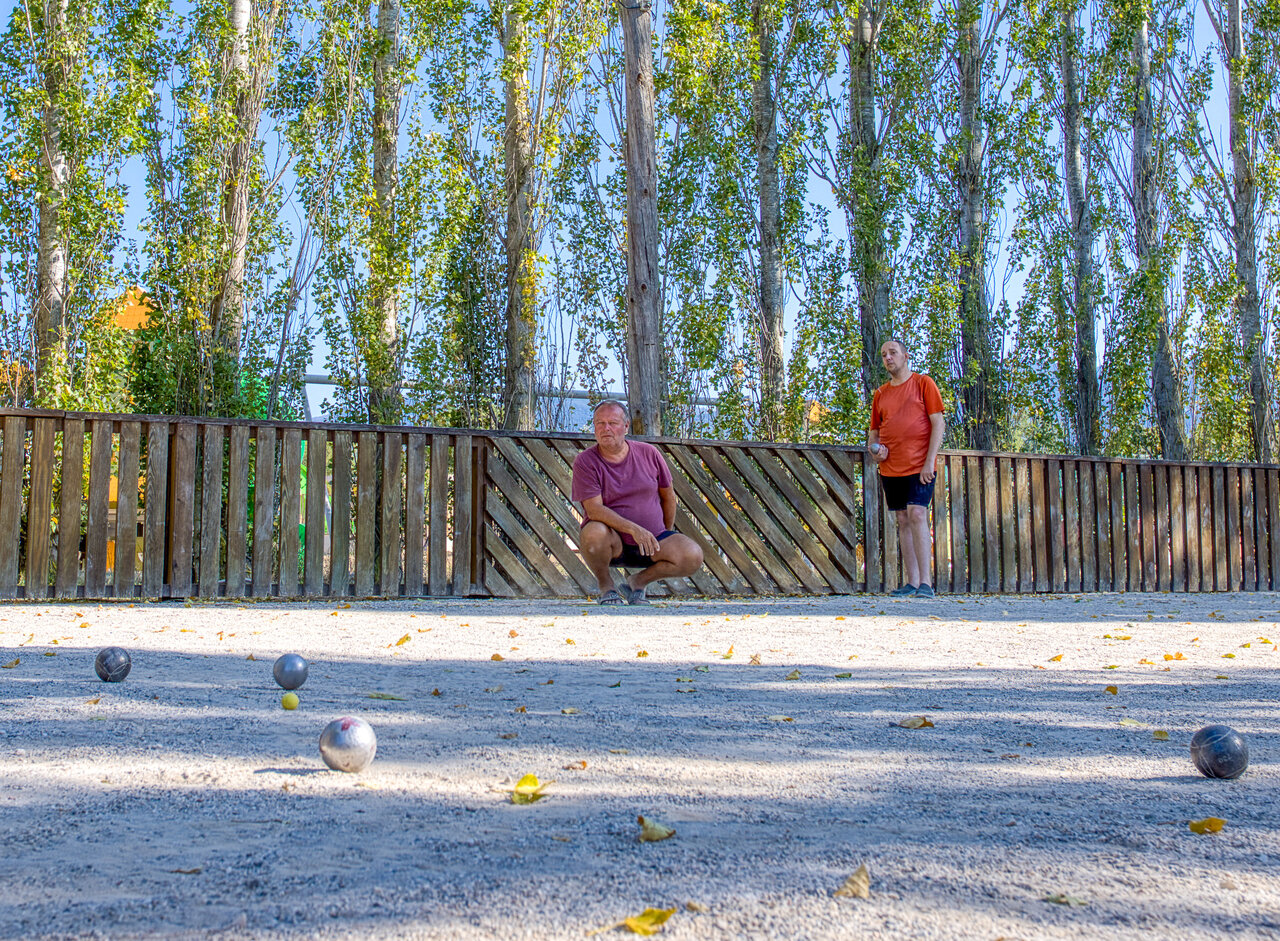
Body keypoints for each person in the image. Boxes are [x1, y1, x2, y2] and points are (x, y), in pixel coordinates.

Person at [571, 400, 704, 605]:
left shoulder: (649, 453)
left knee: (692, 555)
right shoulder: (585, 461)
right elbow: (594, 509)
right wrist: (634, 530)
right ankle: (606, 587)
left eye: (613, 423)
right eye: (600, 423)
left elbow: (668, 496)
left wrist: (664, 533)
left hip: (652, 539)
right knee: (592, 531)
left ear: (626, 426)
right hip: (612, 542)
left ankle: (638, 582)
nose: (606, 428)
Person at [867, 339, 945, 598]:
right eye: (884, 355)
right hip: (891, 468)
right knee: (902, 519)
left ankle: (926, 583)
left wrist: (929, 462)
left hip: (919, 465)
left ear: (905, 356)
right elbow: (873, 436)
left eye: (893, 353)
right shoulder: (880, 394)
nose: (888, 358)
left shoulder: (924, 384)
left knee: (918, 514)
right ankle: (911, 582)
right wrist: (875, 451)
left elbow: (938, 424)